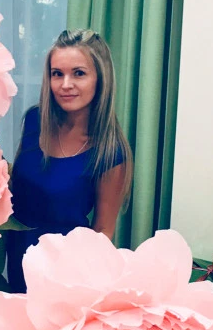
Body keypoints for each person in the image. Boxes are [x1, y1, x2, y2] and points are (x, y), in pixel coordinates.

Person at [7, 29, 133, 293]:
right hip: (17, 256)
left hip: (65, 273)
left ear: (100, 79)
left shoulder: (110, 152)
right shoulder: (35, 121)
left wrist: (79, 289)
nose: (65, 84)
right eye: (57, 74)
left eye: (79, 73)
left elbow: (103, 232)